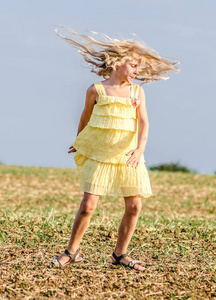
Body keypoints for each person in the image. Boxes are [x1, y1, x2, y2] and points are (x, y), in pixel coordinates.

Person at [50, 27, 178, 270]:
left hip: (129, 155)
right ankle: (72, 252)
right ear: (118, 63)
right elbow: (85, 118)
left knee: (134, 206)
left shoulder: (137, 92)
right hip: (100, 155)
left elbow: (143, 122)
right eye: (134, 66)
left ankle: (120, 254)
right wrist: (79, 142)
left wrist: (140, 149)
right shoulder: (95, 90)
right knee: (88, 206)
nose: (137, 71)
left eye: (139, 67)